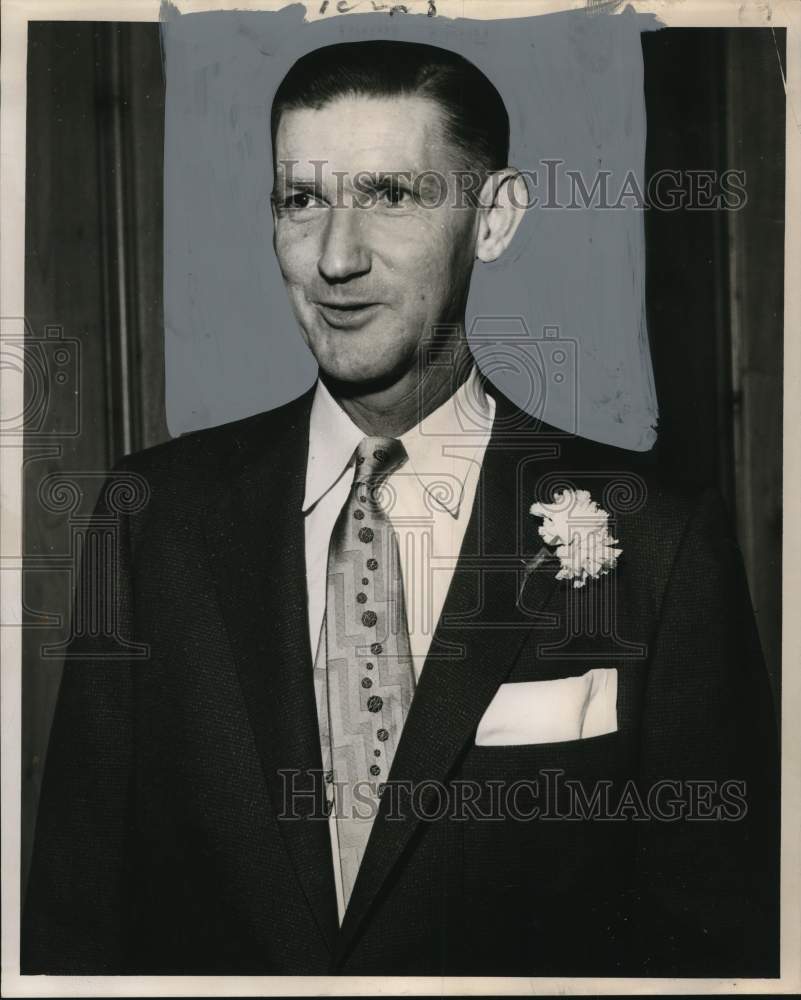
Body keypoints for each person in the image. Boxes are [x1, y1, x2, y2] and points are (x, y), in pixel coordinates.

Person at [22, 40, 778, 977]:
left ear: (492, 219)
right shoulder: (150, 519)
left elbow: (717, 943)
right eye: (302, 200)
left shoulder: (655, 540)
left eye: (390, 195)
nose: (336, 257)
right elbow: (74, 923)